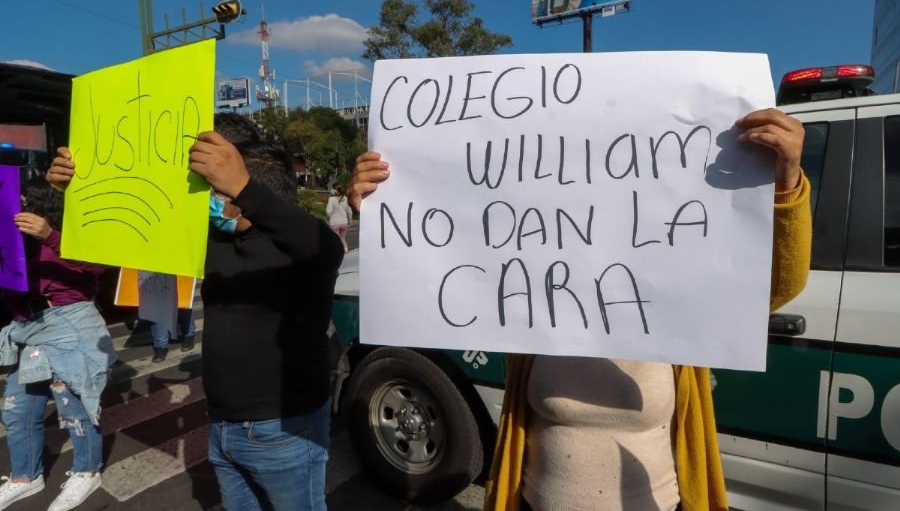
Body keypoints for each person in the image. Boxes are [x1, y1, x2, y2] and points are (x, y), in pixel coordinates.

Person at [349, 108, 812, 511]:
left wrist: (786, 185)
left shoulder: (679, 303)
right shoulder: (533, 298)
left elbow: (776, 283)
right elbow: (440, 270)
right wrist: (384, 210)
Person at [49, 112, 346, 509]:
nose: (205, 199)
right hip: (222, 426)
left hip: (284, 431)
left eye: (214, 190)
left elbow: (320, 243)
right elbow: (118, 234)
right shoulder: (209, 241)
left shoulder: (304, 249)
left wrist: (243, 185)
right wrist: (74, 191)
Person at [0, 178, 116, 511]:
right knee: (17, 409)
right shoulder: (13, 237)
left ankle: (87, 471)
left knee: (74, 408)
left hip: (70, 326)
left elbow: (98, 264)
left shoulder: (69, 232)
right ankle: (25, 476)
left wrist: (49, 235)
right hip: (29, 330)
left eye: (22, 199)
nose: (15, 206)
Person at [325, 185, 352, 252]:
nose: (332, 190)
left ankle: (337, 254)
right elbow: (349, 212)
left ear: (336, 191)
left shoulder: (331, 199)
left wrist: (331, 217)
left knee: (336, 241)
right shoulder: (346, 199)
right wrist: (350, 221)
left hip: (334, 223)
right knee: (343, 239)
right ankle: (345, 252)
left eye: (333, 189)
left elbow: (328, 211)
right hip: (344, 222)